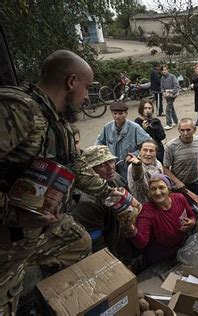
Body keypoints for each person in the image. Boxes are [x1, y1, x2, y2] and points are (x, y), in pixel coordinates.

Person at [0, 50, 115, 314]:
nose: (87, 98)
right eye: (87, 88)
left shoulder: (57, 122)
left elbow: (77, 167)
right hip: (7, 237)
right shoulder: (18, 110)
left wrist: (113, 196)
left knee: (78, 241)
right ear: (71, 82)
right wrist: (13, 213)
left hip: (36, 230)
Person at [70, 145, 138, 267]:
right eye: (101, 165)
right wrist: (112, 265)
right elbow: (97, 244)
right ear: (89, 171)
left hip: (123, 239)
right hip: (108, 251)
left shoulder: (115, 178)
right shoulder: (85, 203)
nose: (110, 167)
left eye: (111, 161)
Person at [130, 173, 196, 268]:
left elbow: (191, 215)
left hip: (180, 246)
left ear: (169, 189)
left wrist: (192, 222)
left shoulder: (179, 198)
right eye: (153, 189)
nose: (157, 192)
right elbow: (141, 243)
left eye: (161, 187)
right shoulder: (147, 211)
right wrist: (131, 228)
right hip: (159, 255)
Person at [96, 101, 152, 181]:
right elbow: (99, 143)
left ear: (126, 114)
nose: (117, 117)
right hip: (112, 168)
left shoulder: (135, 128)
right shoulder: (107, 127)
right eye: (115, 113)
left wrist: (134, 154)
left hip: (129, 168)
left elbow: (148, 143)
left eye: (121, 113)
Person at [163, 118, 198, 197]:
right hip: (179, 186)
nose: (185, 133)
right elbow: (165, 168)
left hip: (195, 183)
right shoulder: (170, 146)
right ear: (179, 130)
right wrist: (177, 182)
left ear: (194, 130)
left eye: (188, 130)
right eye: (182, 130)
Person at [127, 140, 164, 204]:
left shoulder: (158, 164)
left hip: (158, 202)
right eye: (145, 150)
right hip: (143, 205)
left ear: (156, 153)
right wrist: (137, 165)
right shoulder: (133, 166)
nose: (148, 154)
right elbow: (138, 178)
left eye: (151, 151)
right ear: (140, 151)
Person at [134, 99, 166, 163]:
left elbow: (162, 136)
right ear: (141, 109)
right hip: (146, 152)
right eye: (145, 108)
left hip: (158, 150)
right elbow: (136, 140)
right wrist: (143, 129)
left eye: (149, 108)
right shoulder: (137, 122)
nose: (147, 110)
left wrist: (155, 127)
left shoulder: (155, 121)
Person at [160, 65, 180, 130]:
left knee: (168, 109)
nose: (164, 71)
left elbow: (176, 86)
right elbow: (162, 87)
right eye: (163, 70)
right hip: (166, 95)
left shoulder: (172, 76)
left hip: (172, 95)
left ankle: (169, 124)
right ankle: (176, 121)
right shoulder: (162, 78)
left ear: (168, 70)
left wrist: (171, 92)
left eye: (165, 69)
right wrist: (163, 92)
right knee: (172, 108)